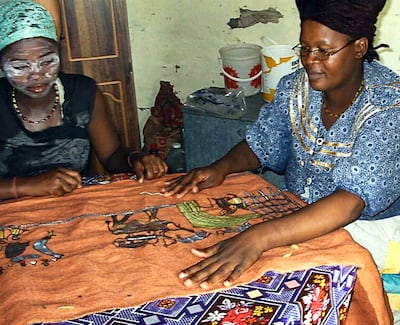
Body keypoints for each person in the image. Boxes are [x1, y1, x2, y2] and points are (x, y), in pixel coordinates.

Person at [162, 0, 400, 294]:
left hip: (372, 232)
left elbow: (351, 201)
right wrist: (220, 168)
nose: (311, 61)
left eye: (324, 51)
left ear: (359, 48)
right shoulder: (295, 87)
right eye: (304, 49)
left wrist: (258, 238)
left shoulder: (388, 105)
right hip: (298, 218)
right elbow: (264, 142)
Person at [0, 0, 167, 200]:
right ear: (2, 64)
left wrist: (136, 159)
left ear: (59, 53)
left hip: (75, 205)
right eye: (20, 66)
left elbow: (112, 155)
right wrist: (25, 186)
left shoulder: (82, 92)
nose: (36, 75)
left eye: (46, 61)